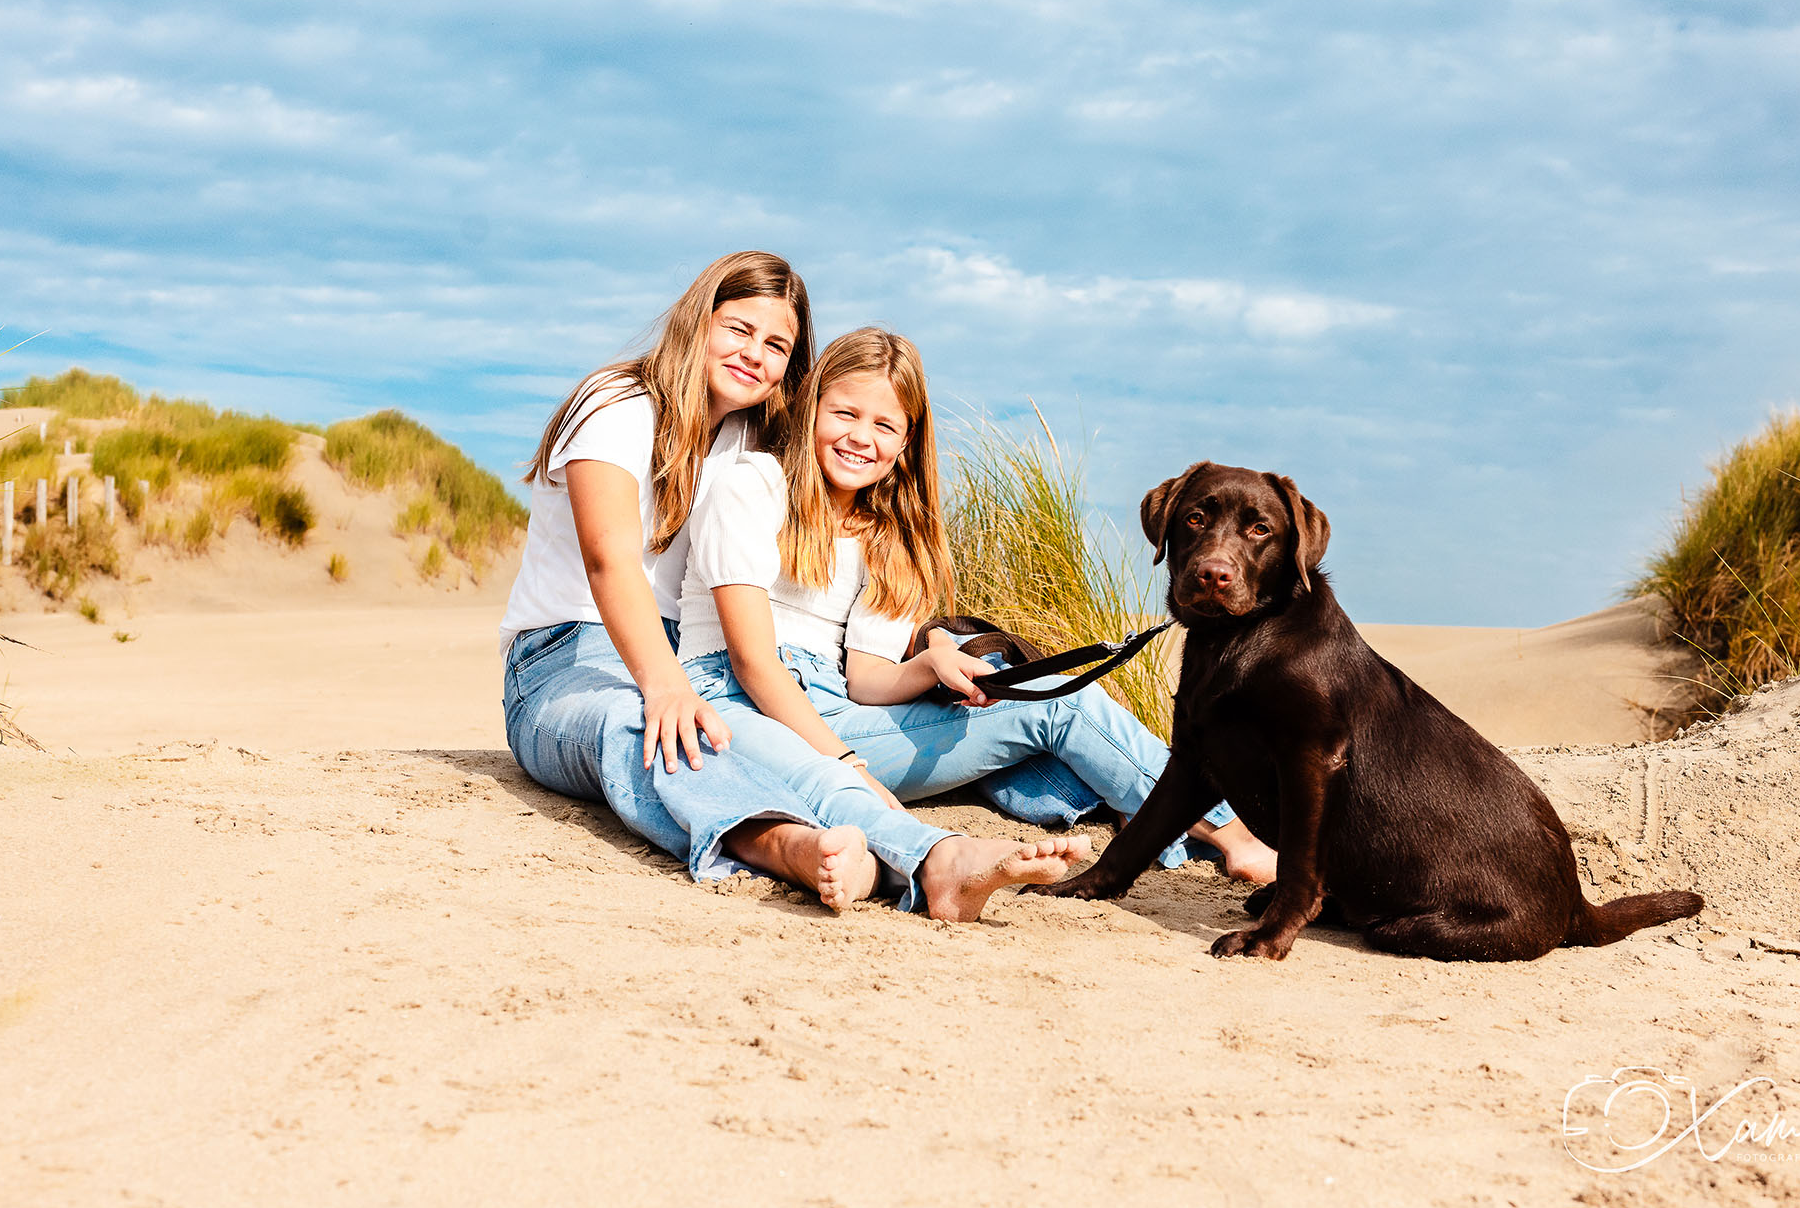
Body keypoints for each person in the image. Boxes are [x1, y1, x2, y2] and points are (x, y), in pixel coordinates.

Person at [501, 252, 1090, 918]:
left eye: (776, 344)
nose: (754, 353)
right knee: (649, 724)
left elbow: (843, 494)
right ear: (698, 322)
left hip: (680, 663)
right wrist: (664, 685)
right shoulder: (618, 404)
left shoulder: (752, 435)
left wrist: (922, 643)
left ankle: (970, 841)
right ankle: (795, 848)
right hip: (564, 665)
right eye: (738, 329)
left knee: (771, 740)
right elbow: (608, 559)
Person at [674, 326, 1279, 884]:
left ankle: (1204, 829)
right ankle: (1228, 835)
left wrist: (932, 663)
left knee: (1058, 703)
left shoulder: (890, 535)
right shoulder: (751, 483)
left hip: (833, 707)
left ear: (908, 441)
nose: (862, 438)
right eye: (846, 413)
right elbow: (753, 665)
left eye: (886, 426)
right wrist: (849, 764)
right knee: (1023, 757)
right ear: (812, 409)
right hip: (739, 697)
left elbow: (863, 682)